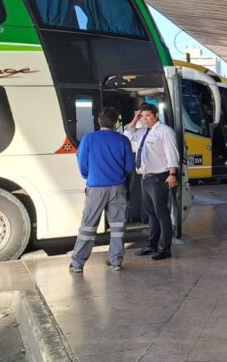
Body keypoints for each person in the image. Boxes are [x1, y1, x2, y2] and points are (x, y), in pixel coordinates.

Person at [69, 106, 135, 273]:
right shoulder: (123, 140)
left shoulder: (88, 139)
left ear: (99, 121)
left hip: (96, 188)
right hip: (117, 188)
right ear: (116, 122)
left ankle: (77, 264)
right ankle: (116, 261)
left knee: (88, 227)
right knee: (117, 227)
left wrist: (91, 176)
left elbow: (82, 164)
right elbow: (129, 166)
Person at [124, 103, 180, 260]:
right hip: (145, 177)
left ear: (156, 115)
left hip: (159, 176)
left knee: (161, 213)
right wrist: (135, 119)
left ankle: (165, 248)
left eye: (148, 116)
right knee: (151, 213)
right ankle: (151, 245)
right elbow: (127, 135)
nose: (145, 119)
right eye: (142, 116)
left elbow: (171, 153)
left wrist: (172, 173)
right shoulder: (143, 131)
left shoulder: (164, 131)